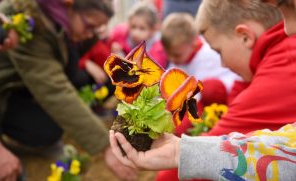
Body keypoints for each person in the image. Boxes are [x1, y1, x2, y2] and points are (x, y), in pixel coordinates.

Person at [110, 0, 296, 180]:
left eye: (219, 51)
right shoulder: (276, 59)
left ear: (245, 36)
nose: (221, 63)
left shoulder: (278, 73)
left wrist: (176, 158)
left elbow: (225, 152)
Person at [0, 0, 136, 180]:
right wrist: (105, 145)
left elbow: (66, 68)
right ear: (69, 5)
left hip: (16, 89)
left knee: (50, 128)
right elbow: (54, 91)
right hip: (2, 95)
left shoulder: (53, 18)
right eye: (90, 26)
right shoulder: (24, 19)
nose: (90, 34)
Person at [160, 12, 241, 106]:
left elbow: (199, 92)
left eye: (176, 55)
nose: (171, 59)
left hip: (221, 95)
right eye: (167, 54)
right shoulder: (180, 55)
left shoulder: (207, 56)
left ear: (194, 45)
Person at [108, 2, 167, 67]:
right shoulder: (120, 34)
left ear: (153, 30)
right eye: (133, 26)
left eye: (142, 28)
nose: (136, 33)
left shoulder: (158, 48)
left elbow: (155, 69)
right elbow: (109, 43)